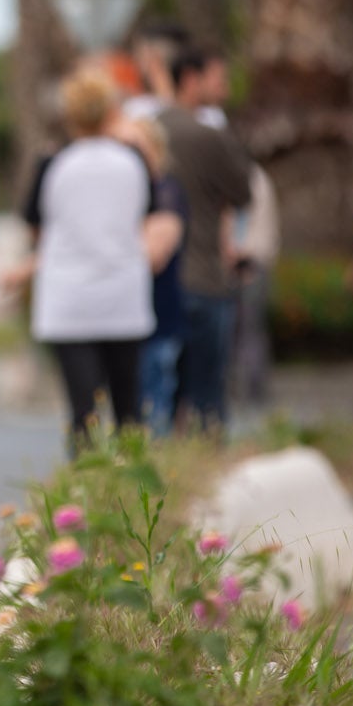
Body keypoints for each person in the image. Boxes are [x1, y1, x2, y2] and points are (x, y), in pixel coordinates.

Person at [24, 70, 176, 447]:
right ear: (111, 111)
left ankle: (83, 495)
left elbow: (36, 228)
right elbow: (150, 216)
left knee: (83, 413)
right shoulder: (134, 161)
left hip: (69, 301)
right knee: (128, 409)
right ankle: (132, 491)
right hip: (123, 295)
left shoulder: (52, 164)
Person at [159, 48, 252, 431]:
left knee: (163, 395)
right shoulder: (208, 136)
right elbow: (244, 192)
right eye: (217, 79)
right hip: (205, 277)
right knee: (209, 393)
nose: (224, 89)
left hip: (161, 280)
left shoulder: (148, 130)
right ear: (190, 80)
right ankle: (208, 467)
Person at [122, 118, 188, 437]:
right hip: (119, 323)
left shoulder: (166, 191)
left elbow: (154, 255)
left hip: (157, 320)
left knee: (153, 408)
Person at [227, 165, 280, 407]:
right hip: (243, 260)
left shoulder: (252, 180)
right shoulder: (258, 178)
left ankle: (252, 386)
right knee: (244, 328)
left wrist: (245, 256)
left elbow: (259, 227)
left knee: (249, 327)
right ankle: (244, 385)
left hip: (250, 261)